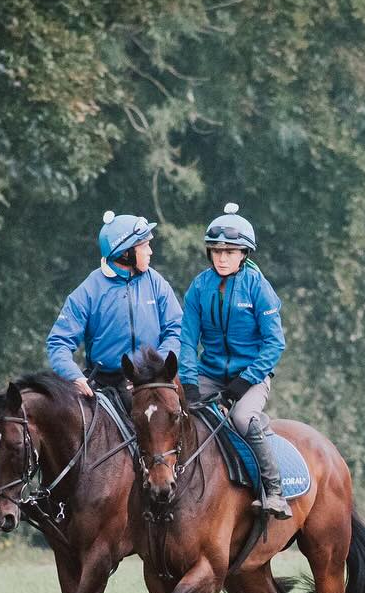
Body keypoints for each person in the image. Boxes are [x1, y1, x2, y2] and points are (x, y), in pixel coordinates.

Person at [178, 203, 291, 520]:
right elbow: (187, 340)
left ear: (244, 254)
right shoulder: (199, 287)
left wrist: (245, 380)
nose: (222, 258)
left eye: (230, 252)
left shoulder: (259, 288)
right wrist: (188, 383)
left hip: (251, 376)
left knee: (242, 419)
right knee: (172, 414)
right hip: (209, 374)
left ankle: (274, 492)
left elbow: (274, 343)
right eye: (216, 251)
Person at [46, 210, 182, 418]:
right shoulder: (88, 291)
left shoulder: (156, 282)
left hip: (152, 378)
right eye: (144, 246)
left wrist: (158, 365)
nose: (150, 252)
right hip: (104, 383)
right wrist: (74, 376)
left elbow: (176, 330)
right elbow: (58, 343)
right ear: (125, 253)